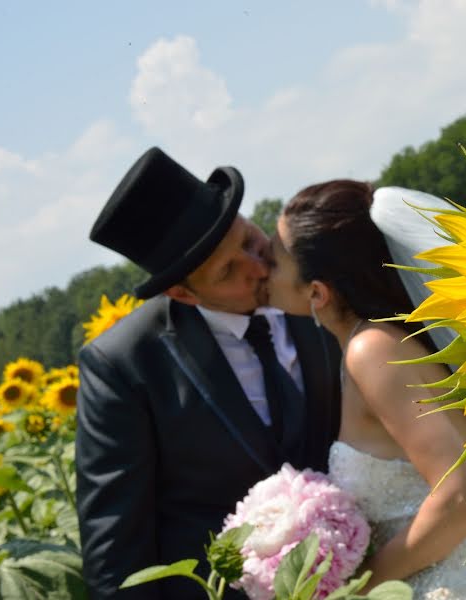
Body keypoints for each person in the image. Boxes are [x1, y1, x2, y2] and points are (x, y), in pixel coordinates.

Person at [75, 148, 341, 599]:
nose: (260, 267)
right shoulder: (125, 365)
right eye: (229, 271)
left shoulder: (322, 284)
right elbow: (116, 558)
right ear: (183, 294)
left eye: (250, 241)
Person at [264, 179, 466, 598]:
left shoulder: (372, 350)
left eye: (273, 261)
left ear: (317, 293)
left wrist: (359, 588)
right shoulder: (374, 343)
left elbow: (460, 494)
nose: (261, 269)